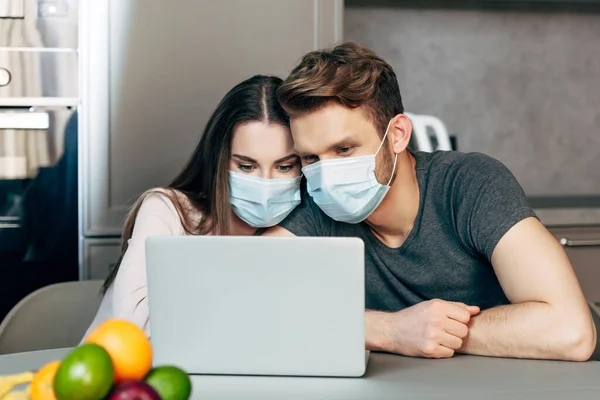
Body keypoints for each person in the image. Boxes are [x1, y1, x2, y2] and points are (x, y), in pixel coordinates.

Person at [265, 43, 596, 361]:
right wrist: (389, 330)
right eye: (311, 158)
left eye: (344, 149)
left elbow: (570, 331)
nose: (328, 175)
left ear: (397, 134)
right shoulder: (314, 204)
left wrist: (436, 331)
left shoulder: (470, 183)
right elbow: (244, 305)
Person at [83, 75, 302, 338]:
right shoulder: (167, 211)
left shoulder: (306, 225)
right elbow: (134, 327)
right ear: (219, 160)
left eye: (285, 166)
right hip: (119, 374)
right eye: (246, 166)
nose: (265, 183)